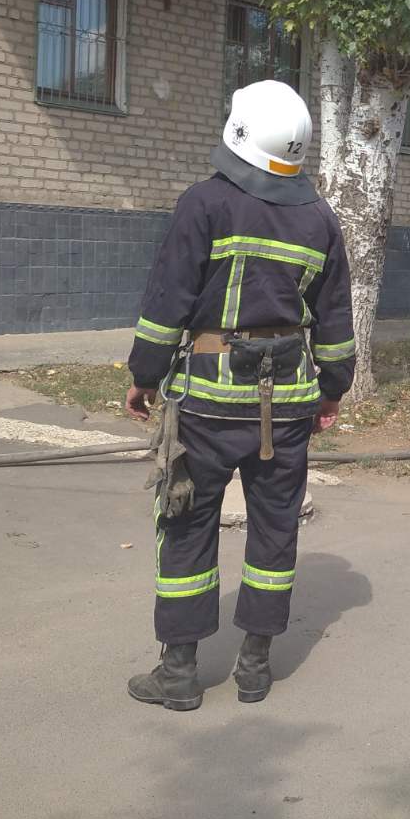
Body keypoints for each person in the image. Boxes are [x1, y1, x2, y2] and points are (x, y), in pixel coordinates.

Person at [123, 80, 355, 712]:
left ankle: (179, 672)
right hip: (288, 404)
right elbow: (334, 321)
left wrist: (143, 374)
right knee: (275, 529)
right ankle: (255, 666)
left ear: (239, 134)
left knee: (187, 522)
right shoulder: (321, 220)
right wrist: (332, 391)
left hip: (207, 405)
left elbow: (167, 300)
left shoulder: (203, 204)